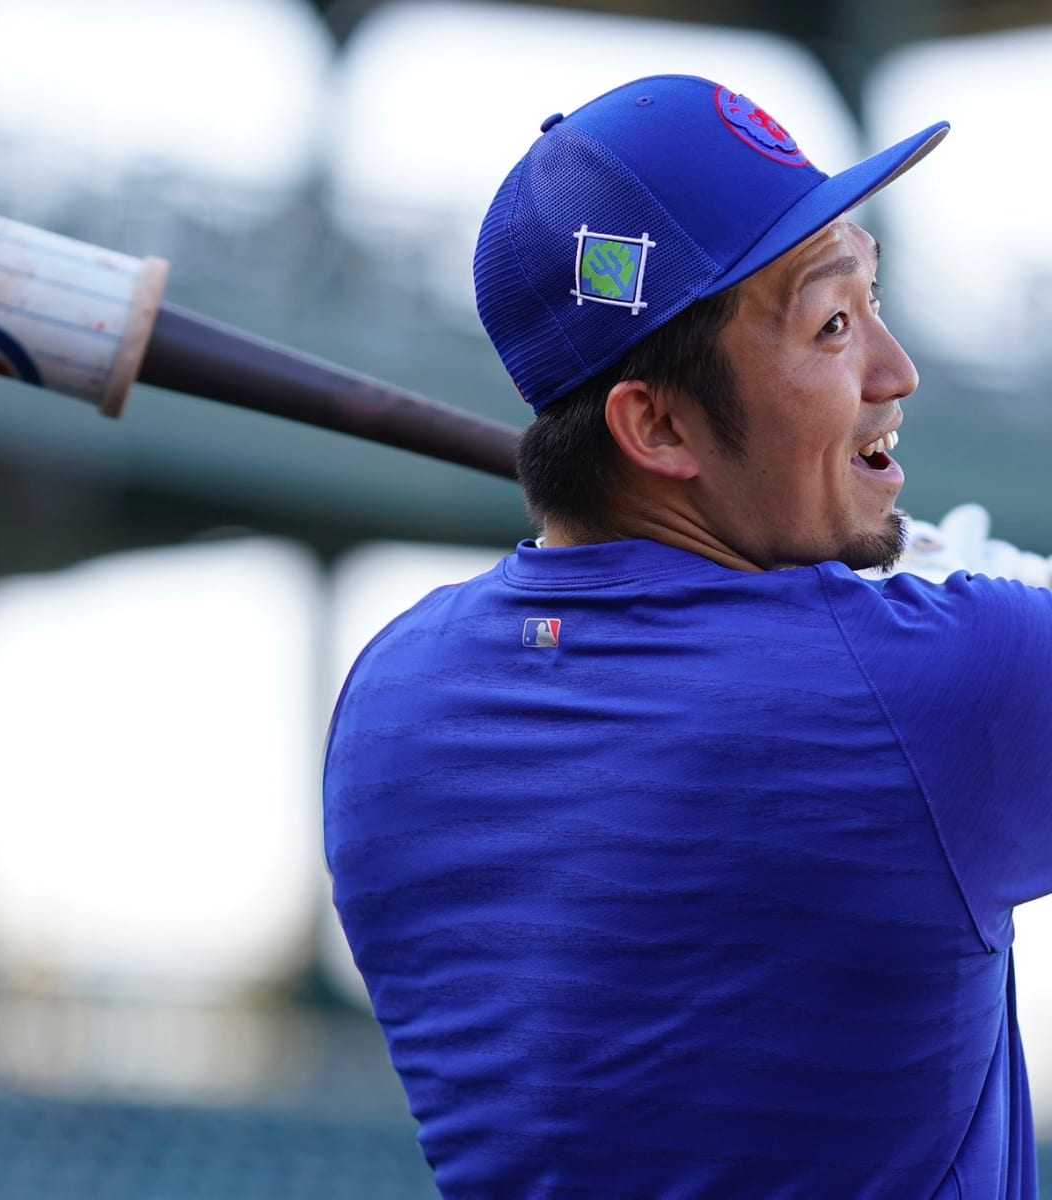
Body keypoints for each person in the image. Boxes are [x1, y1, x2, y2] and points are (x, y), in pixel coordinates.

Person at [323, 74, 1052, 1199]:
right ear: (656, 424)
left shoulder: (387, 696)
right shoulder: (943, 685)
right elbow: (867, 701)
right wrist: (986, 599)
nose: (895, 373)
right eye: (834, 324)